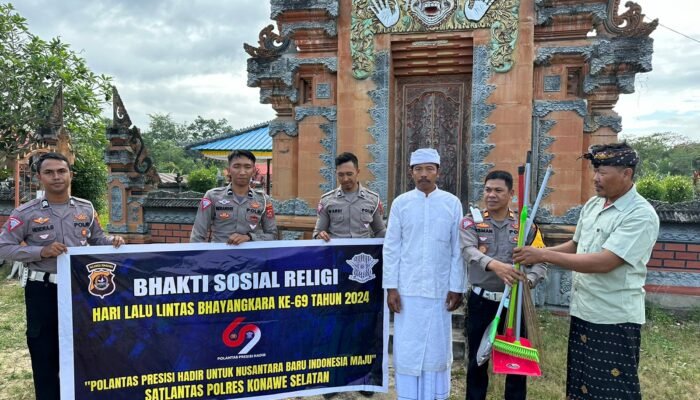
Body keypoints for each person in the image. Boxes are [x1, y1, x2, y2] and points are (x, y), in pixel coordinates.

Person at [514, 143, 659, 400]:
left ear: (626, 173)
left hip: (614, 317)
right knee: (580, 386)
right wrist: (536, 253)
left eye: (603, 172)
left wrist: (544, 255)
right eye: (595, 171)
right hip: (584, 310)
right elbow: (576, 245)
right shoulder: (593, 205)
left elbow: (605, 261)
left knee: (611, 390)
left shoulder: (640, 215)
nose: (595, 178)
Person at [0, 152, 125, 400]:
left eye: (61, 171)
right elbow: (3, 246)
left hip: (79, 292)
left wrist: (113, 241)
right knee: (44, 351)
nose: (56, 177)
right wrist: (40, 251)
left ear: (70, 175)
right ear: (39, 178)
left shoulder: (85, 208)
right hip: (42, 290)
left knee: (82, 348)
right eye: (49, 172)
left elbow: (97, 239)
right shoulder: (25, 212)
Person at [383, 148, 464, 400]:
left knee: (436, 349)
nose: (424, 174)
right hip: (407, 291)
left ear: (438, 172)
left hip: (440, 290)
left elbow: (457, 249)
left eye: (429, 169)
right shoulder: (401, 203)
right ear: (411, 172)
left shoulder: (451, 203)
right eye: (418, 169)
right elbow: (392, 247)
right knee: (408, 349)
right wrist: (391, 287)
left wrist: (456, 286)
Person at [460, 170, 547, 400]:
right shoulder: (474, 221)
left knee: (516, 364)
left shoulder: (524, 224)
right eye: (488, 189)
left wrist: (527, 281)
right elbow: (468, 250)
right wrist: (496, 266)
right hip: (482, 301)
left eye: (498, 190)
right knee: (477, 362)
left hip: (515, 304)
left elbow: (541, 260)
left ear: (511, 194)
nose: (491, 195)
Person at [190, 150, 277, 243]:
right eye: (236, 166)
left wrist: (250, 237)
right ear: (229, 170)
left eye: (247, 167)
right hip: (220, 255)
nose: (242, 172)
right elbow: (198, 235)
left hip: (251, 256)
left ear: (253, 171)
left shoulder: (264, 199)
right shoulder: (212, 196)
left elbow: (272, 235)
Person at [313, 152, 386, 241]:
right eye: (341, 175)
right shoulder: (326, 201)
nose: (345, 179)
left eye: (349, 174)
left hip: (363, 253)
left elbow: (380, 231)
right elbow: (317, 233)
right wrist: (320, 236)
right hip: (337, 253)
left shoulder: (373, 199)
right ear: (336, 173)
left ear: (357, 172)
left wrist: (374, 250)